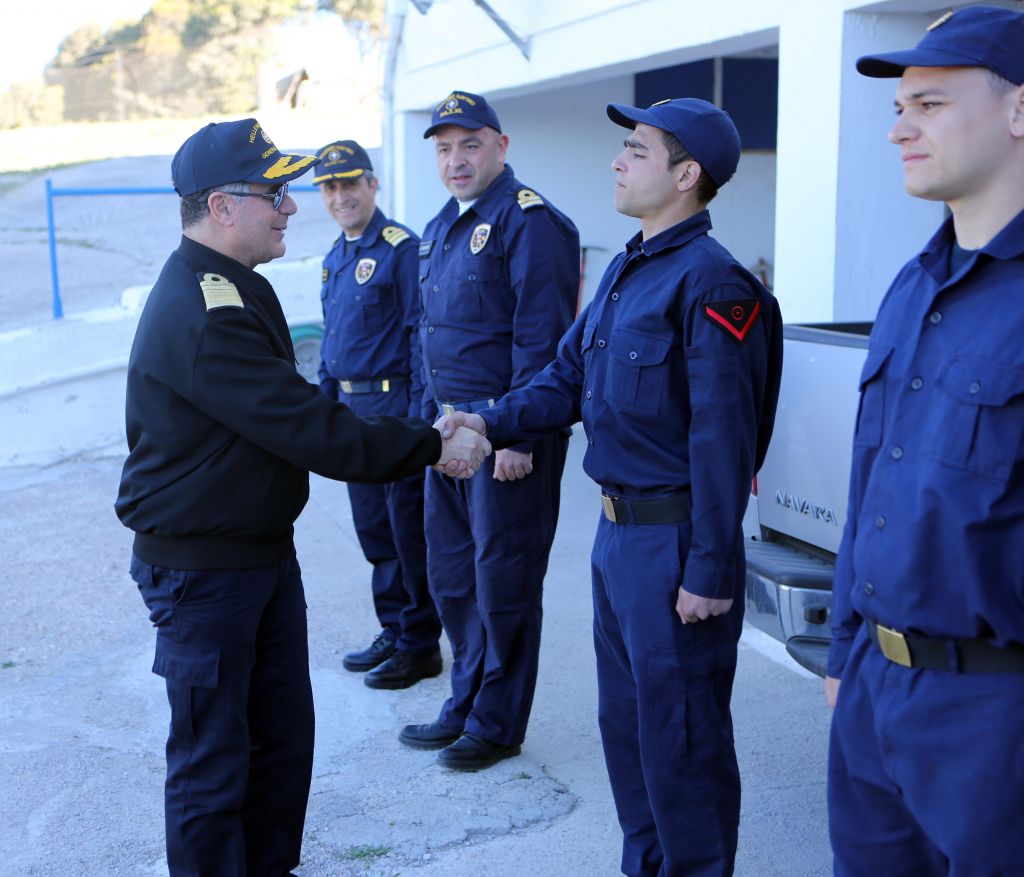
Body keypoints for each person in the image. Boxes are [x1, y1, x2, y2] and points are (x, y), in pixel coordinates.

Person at [114, 118, 489, 877]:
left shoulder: (234, 286)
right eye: (275, 193)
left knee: (281, 741)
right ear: (221, 206)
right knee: (214, 762)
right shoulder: (205, 308)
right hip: (206, 574)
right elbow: (307, 426)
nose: (291, 207)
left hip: (254, 559)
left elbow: (300, 414)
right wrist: (432, 443)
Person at [439, 98, 782, 875]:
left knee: (682, 743)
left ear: (687, 174)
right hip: (616, 538)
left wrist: (710, 568)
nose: (618, 162)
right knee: (627, 734)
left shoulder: (715, 285)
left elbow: (724, 440)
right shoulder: (629, 269)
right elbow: (561, 382)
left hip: (674, 543)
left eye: (637, 150)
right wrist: (483, 423)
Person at [824, 7, 1024, 876]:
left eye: (932, 104)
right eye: (900, 106)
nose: (900, 126)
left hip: (995, 716)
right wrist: (844, 655)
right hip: (874, 689)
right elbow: (871, 480)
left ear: (1019, 112)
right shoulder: (914, 285)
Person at [398, 90, 580, 770]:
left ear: (501, 147)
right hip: (447, 430)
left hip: (504, 429)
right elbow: (429, 337)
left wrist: (518, 438)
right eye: (444, 148)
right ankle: (464, 700)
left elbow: (544, 343)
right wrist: (427, 429)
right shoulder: (443, 225)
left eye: (469, 144)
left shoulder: (530, 223)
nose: (456, 159)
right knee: (452, 576)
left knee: (503, 581)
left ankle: (498, 722)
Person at [313, 139, 443, 689]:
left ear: (372, 185)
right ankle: (394, 629)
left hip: (393, 409)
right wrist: (323, 406)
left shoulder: (399, 249)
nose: (341, 196)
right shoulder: (333, 259)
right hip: (352, 413)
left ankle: (420, 645)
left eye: (350, 183)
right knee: (374, 532)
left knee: (406, 532)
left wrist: (417, 417)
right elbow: (331, 344)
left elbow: (421, 336)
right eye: (330, 187)